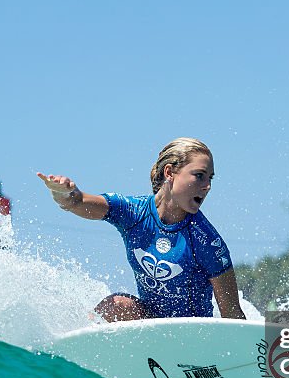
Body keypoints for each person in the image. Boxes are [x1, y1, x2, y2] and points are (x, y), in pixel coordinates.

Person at [38, 137, 246, 322]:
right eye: (199, 175)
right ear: (170, 173)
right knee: (117, 304)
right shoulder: (134, 212)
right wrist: (64, 195)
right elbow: (79, 202)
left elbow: (233, 315)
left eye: (210, 178)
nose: (207, 185)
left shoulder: (207, 240)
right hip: (150, 329)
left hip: (193, 336)